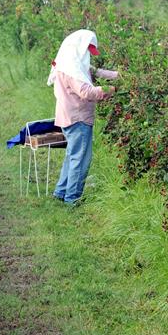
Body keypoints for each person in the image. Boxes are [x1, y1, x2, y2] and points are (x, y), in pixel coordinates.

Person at [47, 29, 118, 206]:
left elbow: (95, 71)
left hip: (68, 116)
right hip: (78, 118)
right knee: (80, 160)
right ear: (78, 47)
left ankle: (61, 192)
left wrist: (119, 76)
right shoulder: (72, 70)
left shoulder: (68, 63)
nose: (88, 54)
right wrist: (111, 90)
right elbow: (86, 92)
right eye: (87, 50)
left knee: (72, 156)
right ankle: (72, 198)